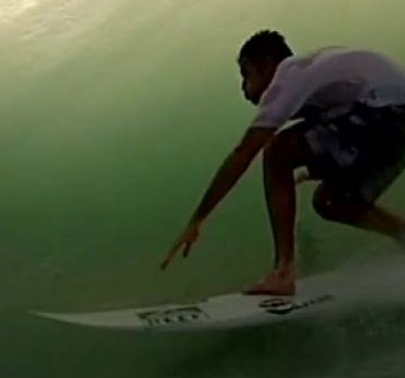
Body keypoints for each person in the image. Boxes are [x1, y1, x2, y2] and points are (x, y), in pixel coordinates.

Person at [161, 30, 405, 296]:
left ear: (267, 64)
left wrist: (198, 219)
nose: (244, 88)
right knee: (331, 202)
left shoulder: (288, 76)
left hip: (389, 112)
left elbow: (244, 153)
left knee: (277, 150)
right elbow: (342, 130)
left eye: (246, 74)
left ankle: (283, 272)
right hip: (390, 116)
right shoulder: (313, 73)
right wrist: (321, 167)